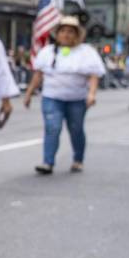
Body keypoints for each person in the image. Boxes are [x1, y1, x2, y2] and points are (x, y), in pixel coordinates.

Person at [22, 15, 105, 174]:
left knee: (76, 129)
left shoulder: (86, 52)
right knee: (53, 127)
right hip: (52, 97)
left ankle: (78, 159)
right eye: (63, 31)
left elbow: (94, 75)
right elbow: (38, 75)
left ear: (76, 35)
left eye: (70, 32)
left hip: (77, 99)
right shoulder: (47, 52)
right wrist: (28, 94)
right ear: (57, 34)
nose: (66, 35)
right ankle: (48, 162)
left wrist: (92, 94)